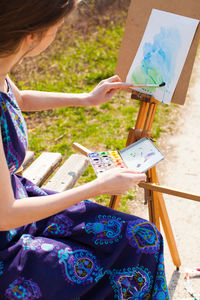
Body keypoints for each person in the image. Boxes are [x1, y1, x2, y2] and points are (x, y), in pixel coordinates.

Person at [0, 0, 169, 299]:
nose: (59, 32)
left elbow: (21, 98)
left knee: (142, 236)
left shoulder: (2, 68)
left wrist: (85, 98)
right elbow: (5, 215)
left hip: (22, 203)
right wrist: (97, 186)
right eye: (57, 28)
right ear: (32, 35)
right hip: (9, 244)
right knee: (103, 266)